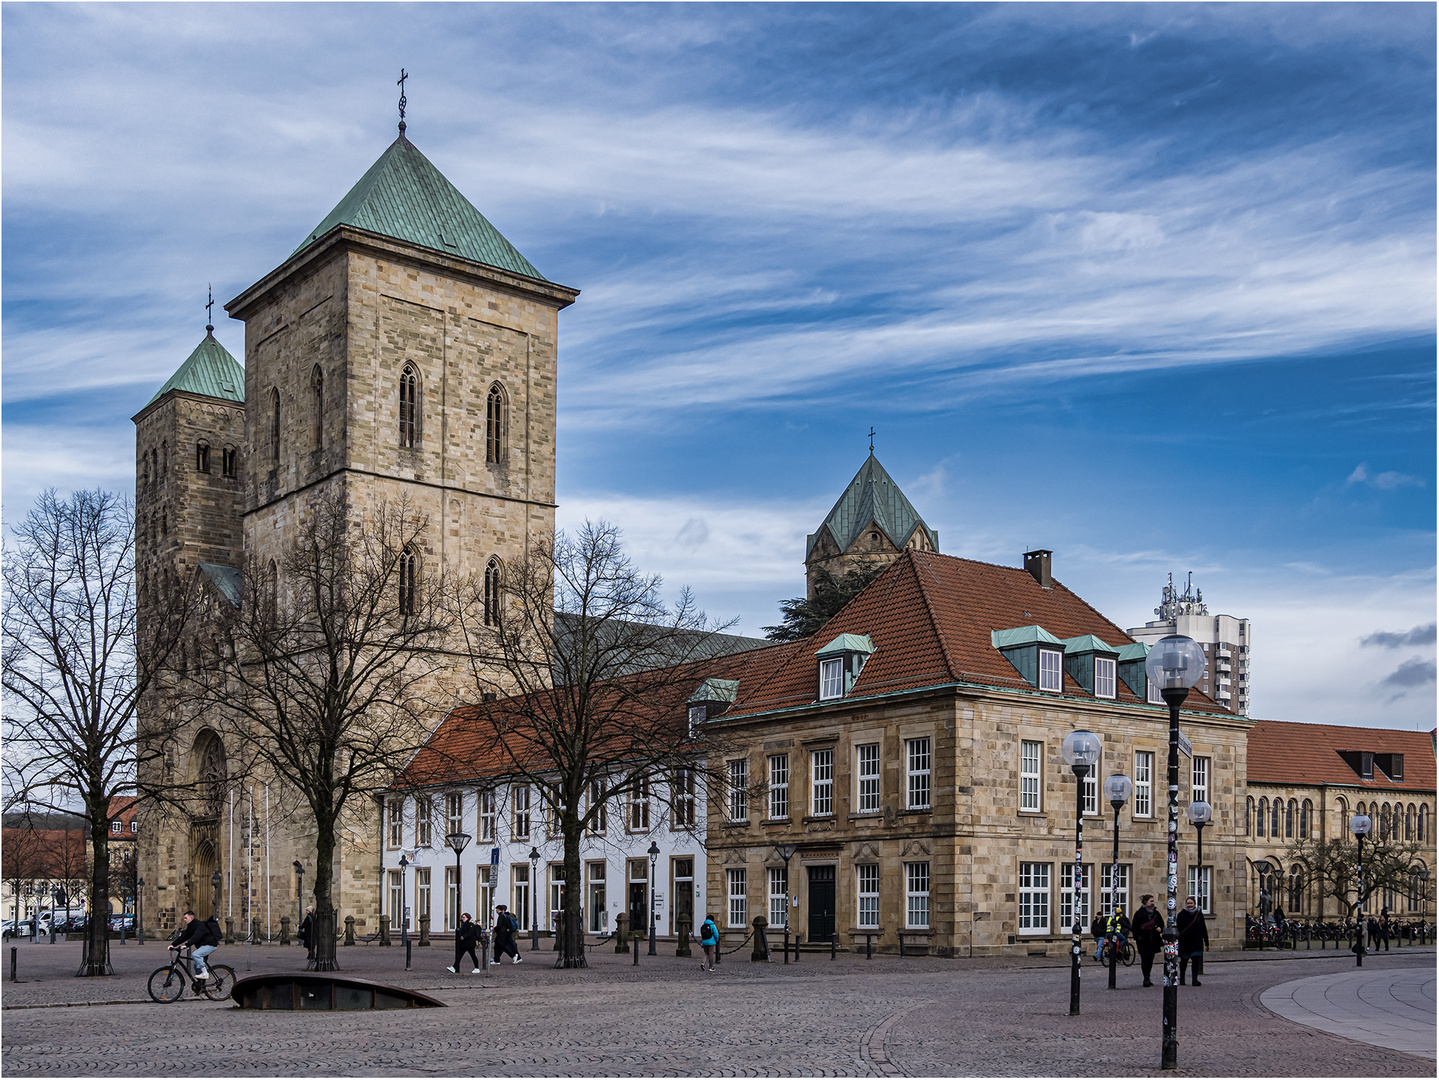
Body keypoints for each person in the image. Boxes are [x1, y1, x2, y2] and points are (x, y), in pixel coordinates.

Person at [170, 909, 221, 982]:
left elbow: (196, 936)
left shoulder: (200, 925)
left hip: (210, 945)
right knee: (196, 966)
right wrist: (172, 945)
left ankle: (205, 973)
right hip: (202, 946)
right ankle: (200, 985)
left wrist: (186, 945)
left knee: (195, 954)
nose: (184, 920)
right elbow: (183, 937)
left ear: (191, 918)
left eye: (186, 918)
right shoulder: (190, 927)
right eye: (184, 918)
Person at [1132, 894, 1163, 987]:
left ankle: (1148, 977)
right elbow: (1134, 927)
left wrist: (1160, 929)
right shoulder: (1139, 913)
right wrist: (1138, 937)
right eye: (1151, 901)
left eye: (1153, 901)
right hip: (1143, 940)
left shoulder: (1156, 913)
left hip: (1153, 939)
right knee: (1144, 959)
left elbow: (1161, 923)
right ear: (1145, 902)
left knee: (1150, 959)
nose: (1153, 903)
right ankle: (1146, 978)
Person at [1176, 896, 1208, 986]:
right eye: (1188, 903)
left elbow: (1203, 928)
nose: (1189, 905)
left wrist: (1206, 942)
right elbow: (1178, 928)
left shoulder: (1199, 914)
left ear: (1194, 904)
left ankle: (1195, 979)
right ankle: (1182, 979)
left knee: (1196, 961)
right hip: (1185, 941)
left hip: (1196, 941)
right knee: (1184, 961)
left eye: (1191, 903)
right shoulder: (1181, 914)